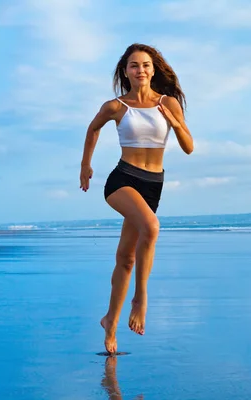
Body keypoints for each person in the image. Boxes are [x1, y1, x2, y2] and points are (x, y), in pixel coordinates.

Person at [79, 43, 193, 354]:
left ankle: (109, 323)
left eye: (145, 64)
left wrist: (175, 121)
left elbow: (188, 147)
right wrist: (85, 165)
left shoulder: (167, 103)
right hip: (122, 180)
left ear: (154, 69)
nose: (139, 69)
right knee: (152, 228)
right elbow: (93, 129)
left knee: (126, 258)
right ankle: (140, 299)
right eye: (133, 65)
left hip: (153, 184)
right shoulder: (116, 106)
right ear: (125, 71)